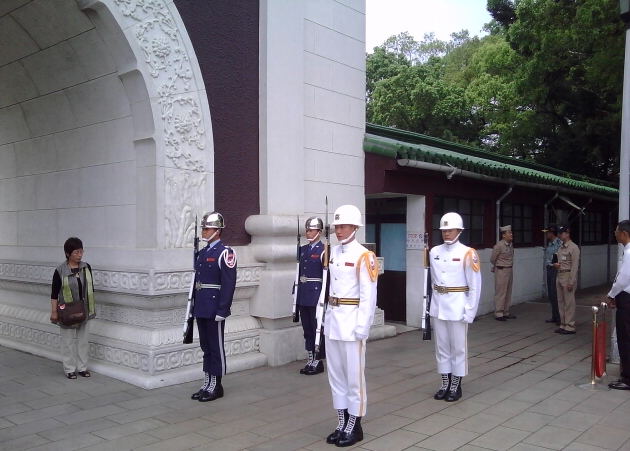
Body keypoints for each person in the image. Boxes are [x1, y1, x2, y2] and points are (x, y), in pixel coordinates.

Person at [324, 204, 378, 447]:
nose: (338, 229)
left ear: (355, 227)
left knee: (354, 378)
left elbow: (368, 296)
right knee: (335, 376)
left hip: (352, 322)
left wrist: (362, 327)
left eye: (343, 225)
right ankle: (341, 422)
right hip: (333, 321)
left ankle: (355, 425)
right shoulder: (332, 252)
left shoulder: (364, 256)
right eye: (336, 226)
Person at [429, 212, 481, 402]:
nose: (446, 234)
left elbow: (474, 285)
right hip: (439, 304)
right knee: (441, 346)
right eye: (444, 230)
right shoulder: (434, 252)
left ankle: (456, 385)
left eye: (450, 230)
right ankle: (444, 382)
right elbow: (433, 280)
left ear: (459, 231)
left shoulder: (468, 253)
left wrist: (470, 310)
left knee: (458, 347)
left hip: (458, 305)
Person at [190, 212, 237, 402]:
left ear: (217, 231)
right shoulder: (203, 252)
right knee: (206, 346)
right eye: (203, 228)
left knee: (216, 347)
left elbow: (228, 284)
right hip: (202, 305)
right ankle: (207, 382)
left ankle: (216, 385)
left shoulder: (226, 253)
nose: (204, 231)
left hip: (214, 307)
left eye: (207, 228)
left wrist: (223, 309)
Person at [50, 237, 96, 379]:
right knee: (68, 342)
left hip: (84, 309)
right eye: (76, 252)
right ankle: (69, 368)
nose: (79, 255)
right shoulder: (60, 271)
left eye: (81, 251)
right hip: (67, 311)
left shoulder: (86, 268)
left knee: (83, 341)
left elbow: (90, 288)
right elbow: (54, 294)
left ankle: (82, 367)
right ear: (68, 253)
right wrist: (54, 312)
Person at [297, 216, 326, 375]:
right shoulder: (303, 250)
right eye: (307, 230)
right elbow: (299, 274)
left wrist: (324, 297)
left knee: (317, 328)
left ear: (319, 232)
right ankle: (310, 358)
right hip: (304, 293)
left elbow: (326, 277)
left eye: (311, 230)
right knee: (307, 328)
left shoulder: (323, 250)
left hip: (316, 294)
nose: (308, 233)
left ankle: (318, 360)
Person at [605, 220, 630, 390]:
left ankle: (627, 378)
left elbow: (623, 278)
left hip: (626, 300)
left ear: (624, 234)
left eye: (617, 231)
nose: (615, 234)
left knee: (625, 338)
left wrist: (611, 294)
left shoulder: (629, 253)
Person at [553, 225, 580, 335]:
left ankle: (570, 325)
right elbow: (560, 261)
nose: (560, 235)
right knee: (561, 302)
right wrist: (556, 265)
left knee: (569, 302)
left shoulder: (574, 248)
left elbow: (574, 266)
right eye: (559, 233)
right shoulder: (560, 248)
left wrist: (571, 281)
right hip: (560, 275)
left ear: (568, 233)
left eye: (562, 233)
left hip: (568, 275)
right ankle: (563, 323)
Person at [490, 225, 514, 321]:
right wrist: (497, 265)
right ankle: (499, 313)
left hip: (509, 269)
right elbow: (492, 259)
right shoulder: (499, 246)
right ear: (503, 235)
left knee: (508, 291)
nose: (511, 235)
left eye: (511, 233)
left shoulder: (511, 245)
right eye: (509, 233)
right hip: (501, 270)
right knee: (501, 292)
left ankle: (505, 311)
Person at [543, 224, 562, 325]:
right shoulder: (550, 244)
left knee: (556, 294)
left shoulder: (559, 244)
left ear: (551, 233)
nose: (546, 235)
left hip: (555, 270)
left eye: (547, 233)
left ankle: (559, 317)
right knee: (551, 294)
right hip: (549, 269)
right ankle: (554, 316)